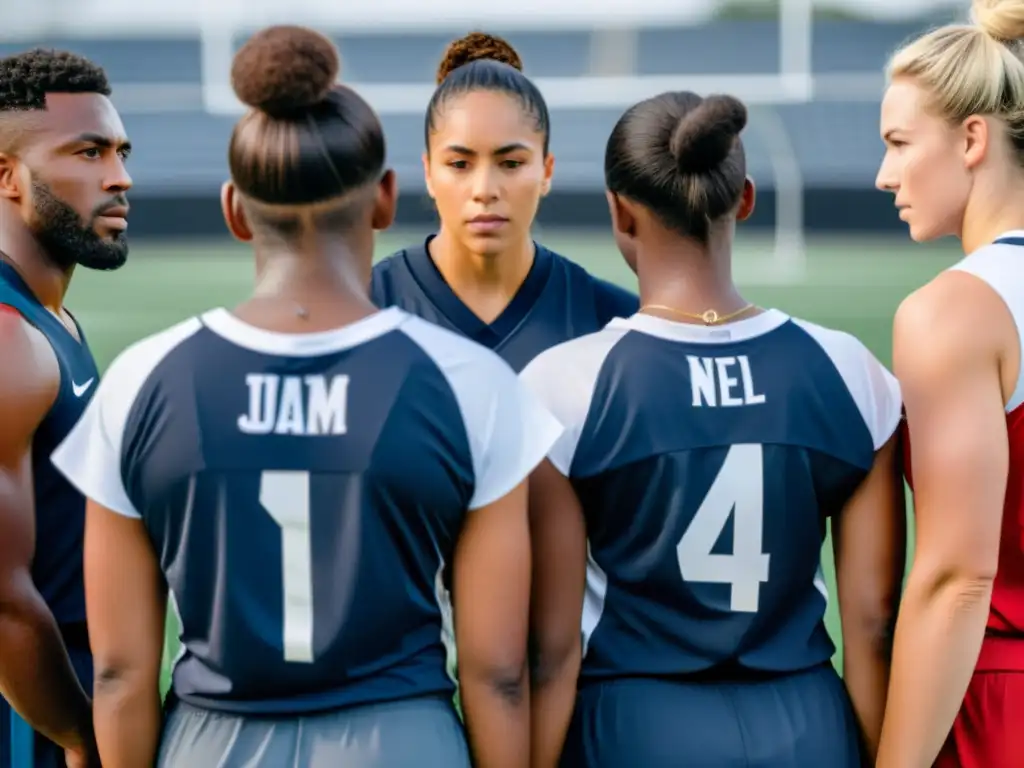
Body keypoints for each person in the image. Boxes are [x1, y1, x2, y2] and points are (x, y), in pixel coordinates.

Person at [49, 25, 561, 768]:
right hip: (402, 739)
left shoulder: (142, 379)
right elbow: (498, 674)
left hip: (212, 739)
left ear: (233, 209)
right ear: (385, 198)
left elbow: (122, 674)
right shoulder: (469, 383)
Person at [520, 91, 906, 767]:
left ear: (619, 209)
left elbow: (550, 652)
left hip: (635, 726)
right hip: (804, 722)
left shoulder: (564, 384)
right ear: (747, 198)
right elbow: (872, 623)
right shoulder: (848, 371)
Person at [873, 0, 1024, 765]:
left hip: (1002, 705)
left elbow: (959, 579)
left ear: (972, 138)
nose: (883, 174)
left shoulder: (955, 312)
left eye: (899, 143)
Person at [0, 48, 131, 768]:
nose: (120, 178)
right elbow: (3, 601)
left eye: (120, 151)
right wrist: (83, 740)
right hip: (34, 727)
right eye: (88, 153)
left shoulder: (53, 322)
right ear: (7, 177)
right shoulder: (9, 339)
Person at [371, 32, 637, 373]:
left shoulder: (612, 323)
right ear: (428, 173)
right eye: (459, 164)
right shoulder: (366, 310)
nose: (484, 190)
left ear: (546, 171)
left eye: (511, 163)